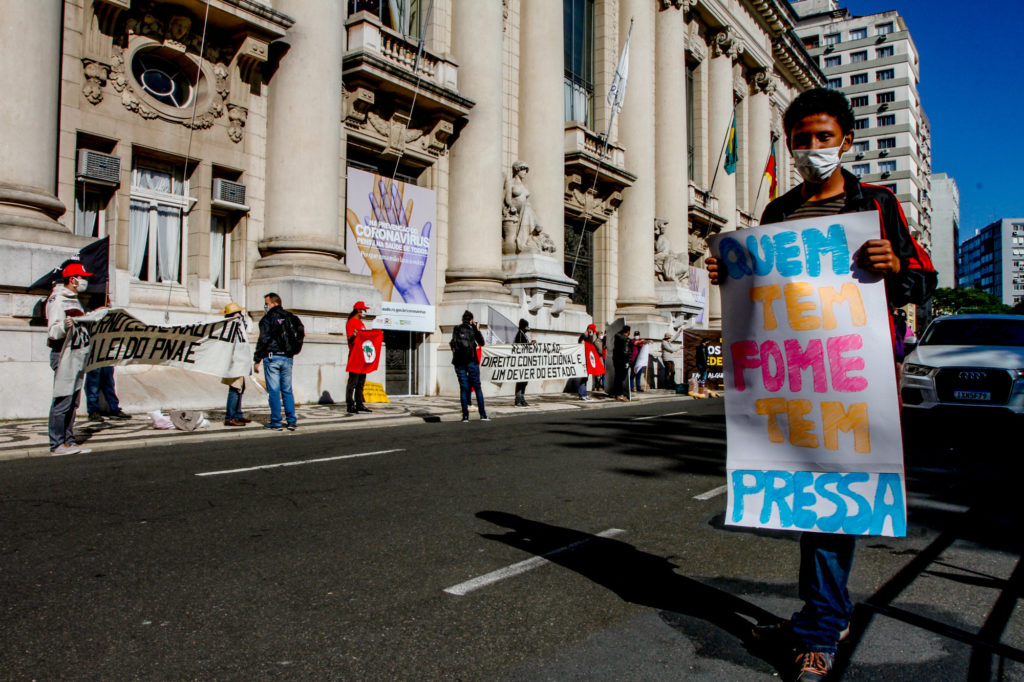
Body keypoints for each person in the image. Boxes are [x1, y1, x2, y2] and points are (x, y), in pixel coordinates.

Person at [707, 88, 936, 682]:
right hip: (793, 380)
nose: (812, 149)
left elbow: (921, 281)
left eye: (823, 137)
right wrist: (728, 273)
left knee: (838, 500)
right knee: (811, 504)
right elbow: (761, 297)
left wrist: (895, 267)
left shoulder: (878, 203)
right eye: (801, 139)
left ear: (847, 141)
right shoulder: (779, 215)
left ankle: (818, 628)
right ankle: (824, 613)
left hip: (855, 380)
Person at [46, 263, 94, 455]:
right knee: (63, 398)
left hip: (76, 354)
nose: (85, 281)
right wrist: (64, 327)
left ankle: (68, 440)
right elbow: (52, 331)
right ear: (72, 279)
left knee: (73, 400)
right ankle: (57, 443)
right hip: (63, 354)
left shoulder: (74, 299)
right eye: (82, 277)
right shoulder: (58, 300)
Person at [254, 293, 302, 431]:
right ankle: (291, 421)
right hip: (287, 357)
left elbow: (263, 340)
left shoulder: (267, 319)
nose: (265, 306)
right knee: (287, 390)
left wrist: (257, 359)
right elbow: (300, 334)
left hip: (272, 357)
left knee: (274, 391)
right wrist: (293, 351)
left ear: (274, 304)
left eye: (266, 304)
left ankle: (276, 422)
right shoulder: (291, 317)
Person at [450, 310, 489, 422]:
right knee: (477, 387)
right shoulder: (473, 329)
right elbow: (481, 342)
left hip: (459, 362)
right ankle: (483, 415)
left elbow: (452, 343)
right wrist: (477, 329)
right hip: (471, 361)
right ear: (471, 320)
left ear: (462, 320)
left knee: (463, 388)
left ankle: (465, 416)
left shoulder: (456, 328)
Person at [221, 302, 252, 426]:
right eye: (238, 313)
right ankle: (230, 417)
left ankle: (237, 414)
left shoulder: (237, 327)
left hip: (239, 362)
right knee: (235, 388)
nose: (241, 315)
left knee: (240, 388)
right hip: (234, 363)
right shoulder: (230, 327)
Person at [345, 301, 373, 415]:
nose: (365, 312)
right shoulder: (351, 322)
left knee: (361, 382)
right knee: (353, 382)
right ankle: (350, 405)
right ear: (358, 310)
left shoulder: (361, 323)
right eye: (364, 310)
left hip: (362, 355)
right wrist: (354, 335)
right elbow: (349, 338)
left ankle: (359, 404)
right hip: (354, 355)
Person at [577, 323, 603, 401]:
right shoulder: (584, 336)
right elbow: (580, 343)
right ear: (589, 329)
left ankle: (584, 394)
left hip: (587, 359)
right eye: (592, 330)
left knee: (585, 378)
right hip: (584, 360)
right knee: (584, 377)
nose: (592, 332)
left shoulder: (588, 337)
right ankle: (582, 395)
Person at [514, 318, 531, 407]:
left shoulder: (523, 334)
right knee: (521, 381)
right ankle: (519, 399)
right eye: (527, 326)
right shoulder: (520, 335)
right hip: (522, 362)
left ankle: (521, 398)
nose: (528, 328)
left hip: (525, 361)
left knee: (524, 381)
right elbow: (521, 347)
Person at [611, 325, 631, 401]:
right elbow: (626, 351)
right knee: (621, 378)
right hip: (623, 361)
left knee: (617, 378)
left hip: (616, 360)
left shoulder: (617, 337)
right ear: (628, 332)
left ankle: (617, 394)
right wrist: (627, 362)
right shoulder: (626, 339)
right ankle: (621, 394)